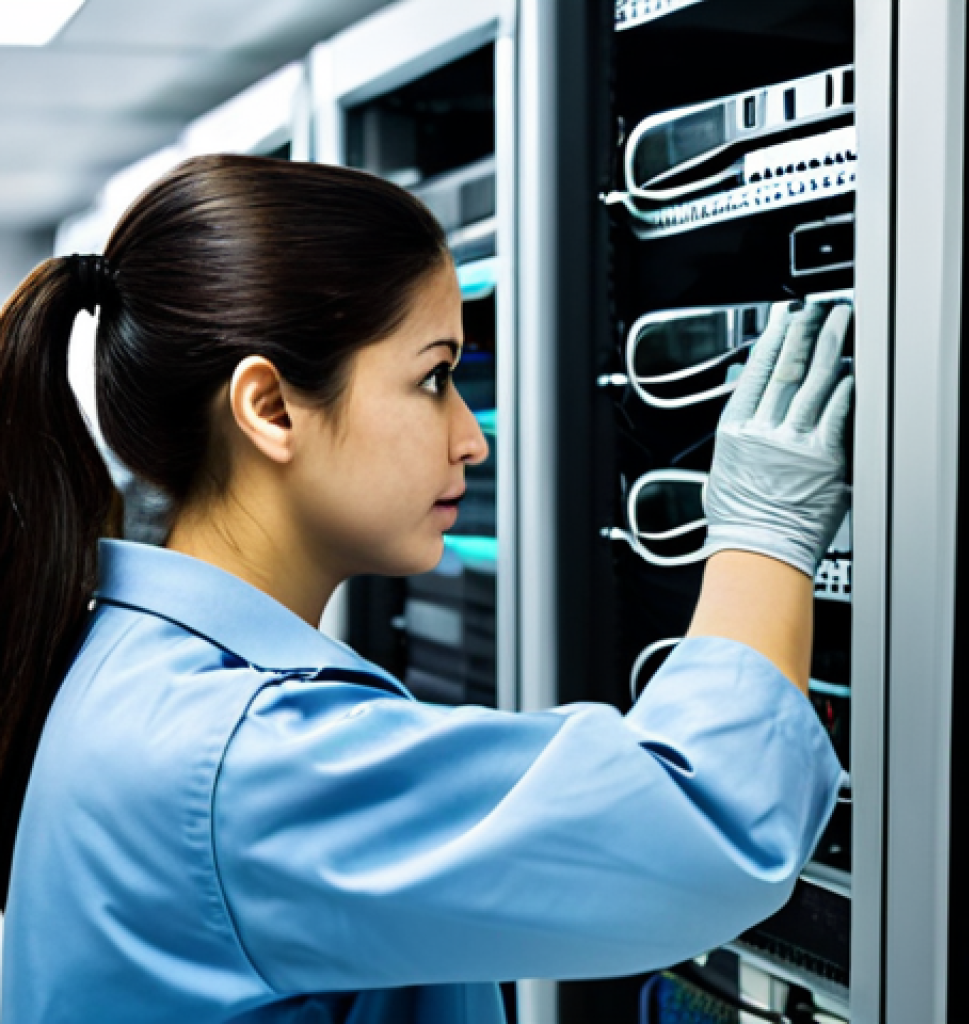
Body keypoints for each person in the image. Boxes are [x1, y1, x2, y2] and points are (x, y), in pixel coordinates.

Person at [0, 154, 850, 1024]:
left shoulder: (132, 668)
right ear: (272, 409)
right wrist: (763, 533)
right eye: (434, 377)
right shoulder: (242, 761)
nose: (470, 439)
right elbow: (708, 829)